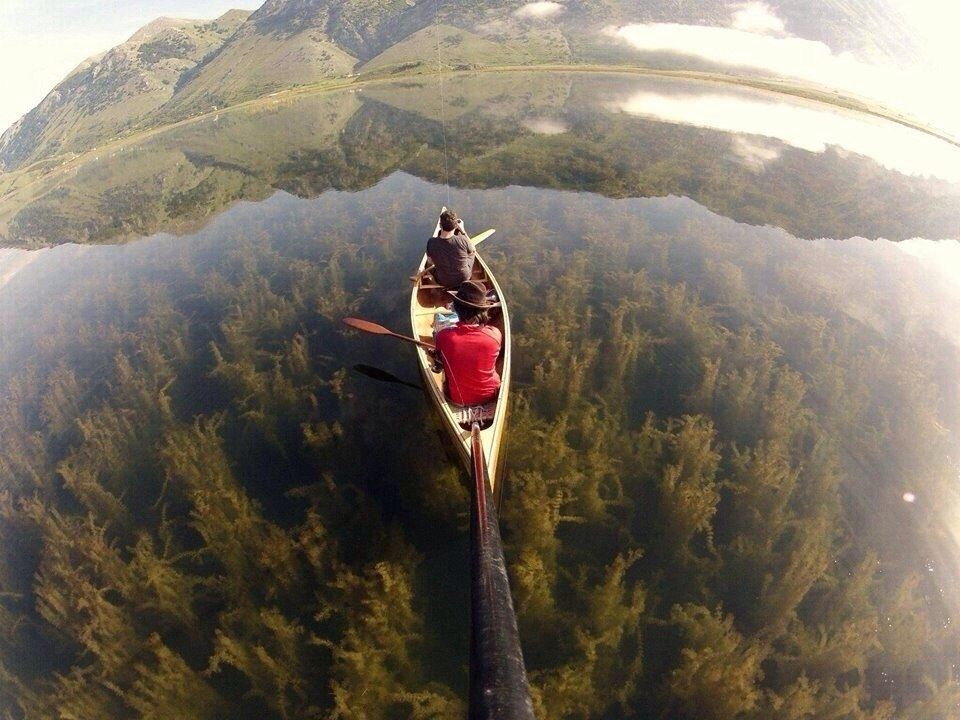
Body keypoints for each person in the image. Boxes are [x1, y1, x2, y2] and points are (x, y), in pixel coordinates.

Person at [434, 280, 502, 406]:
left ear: (457, 310)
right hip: (491, 395)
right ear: (483, 310)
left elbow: (441, 359)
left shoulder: (443, 336)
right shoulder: (495, 334)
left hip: (457, 399)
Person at [426, 209, 476, 288]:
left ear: (440, 225)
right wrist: (463, 231)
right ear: (456, 226)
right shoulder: (462, 239)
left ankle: (433, 283)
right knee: (472, 253)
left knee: (427, 265)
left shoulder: (431, 242)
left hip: (442, 281)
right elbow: (473, 249)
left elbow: (429, 261)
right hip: (464, 279)